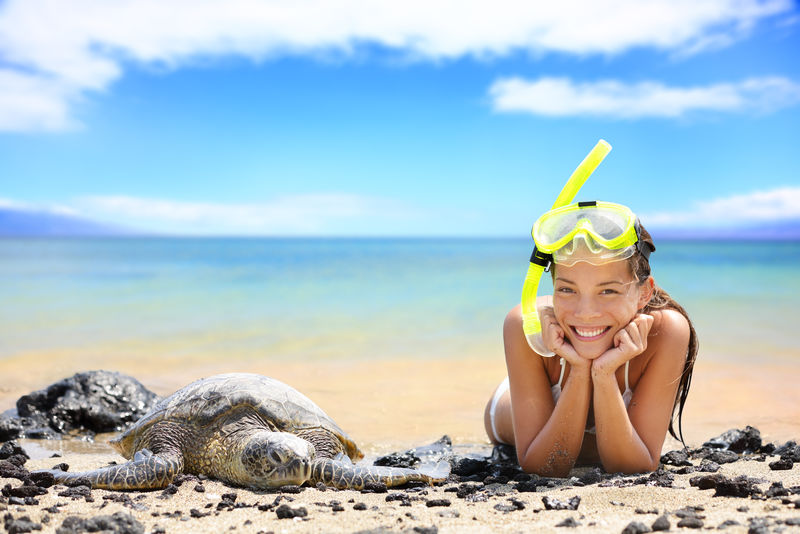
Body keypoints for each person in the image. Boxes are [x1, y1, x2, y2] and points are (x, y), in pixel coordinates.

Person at [483, 201, 698, 477]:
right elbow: (543, 466)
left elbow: (634, 467)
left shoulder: (667, 331)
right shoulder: (528, 325)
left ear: (644, 293)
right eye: (567, 290)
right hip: (514, 406)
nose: (585, 314)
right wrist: (579, 370)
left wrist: (604, 372)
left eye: (608, 291)